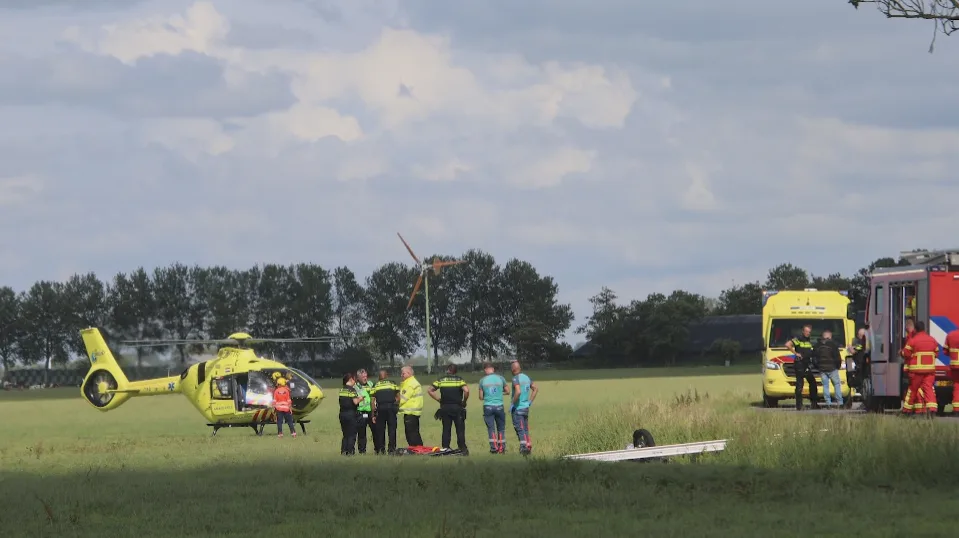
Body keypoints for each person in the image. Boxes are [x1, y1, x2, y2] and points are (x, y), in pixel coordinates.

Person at [427, 364, 470, 454]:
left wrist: (439, 400)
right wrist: (464, 401)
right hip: (457, 407)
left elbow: (430, 390)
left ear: (448, 370)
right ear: (455, 371)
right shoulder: (459, 380)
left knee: (446, 428)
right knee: (460, 429)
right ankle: (462, 448)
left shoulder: (441, 379)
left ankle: (446, 447)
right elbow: (466, 390)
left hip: (445, 407)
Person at [902, 321, 939, 416]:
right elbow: (936, 353)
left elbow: (906, 353)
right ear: (924, 329)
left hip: (916, 371)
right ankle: (932, 409)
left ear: (915, 329)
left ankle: (907, 411)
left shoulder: (912, 340)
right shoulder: (932, 340)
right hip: (929, 370)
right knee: (929, 389)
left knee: (912, 390)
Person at [785, 324, 819, 410]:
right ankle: (799, 405)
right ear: (803, 331)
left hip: (806, 364)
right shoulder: (798, 339)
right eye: (806, 331)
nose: (808, 333)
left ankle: (814, 403)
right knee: (800, 384)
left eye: (809, 332)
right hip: (799, 364)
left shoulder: (809, 340)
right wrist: (795, 353)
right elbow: (788, 344)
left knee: (812, 382)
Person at [478, 362, 509, 453]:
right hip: (499, 406)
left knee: (491, 428)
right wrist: (500, 393)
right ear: (493, 369)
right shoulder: (501, 378)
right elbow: (508, 391)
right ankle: (502, 448)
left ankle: (494, 448)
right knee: (501, 428)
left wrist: (487, 395)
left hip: (488, 406)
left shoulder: (482, 380)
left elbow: (481, 397)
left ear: (485, 370)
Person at [510, 360, 538, 455]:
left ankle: (523, 447)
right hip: (526, 408)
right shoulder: (527, 377)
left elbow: (518, 392)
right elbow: (535, 389)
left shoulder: (515, 378)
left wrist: (512, 403)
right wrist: (530, 401)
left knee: (519, 428)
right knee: (525, 428)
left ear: (513, 369)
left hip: (518, 408)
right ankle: (528, 445)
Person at [371, 369, 400, 455]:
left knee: (380, 430)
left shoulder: (375, 385)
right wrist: (394, 404)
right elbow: (398, 397)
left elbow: (372, 402)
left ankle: (381, 449)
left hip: (380, 408)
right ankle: (391, 450)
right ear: (387, 376)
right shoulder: (392, 383)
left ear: (379, 377)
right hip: (391, 408)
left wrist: (373, 415)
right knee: (392, 429)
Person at [815, 330, 843, 406]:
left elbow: (814, 358)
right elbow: (837, 357)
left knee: (825, 386)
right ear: (830, 337)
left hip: (822, 369)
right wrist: (838, 366)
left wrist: (818, 366)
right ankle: (840, 402)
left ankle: (828, 402)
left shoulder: (817, 345)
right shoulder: (833, 345)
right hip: (832, 368)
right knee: (836, 385)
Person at [338, 372, 364, 455]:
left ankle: (343, 451)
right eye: (354, 380)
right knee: (351, 434)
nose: (355, 382)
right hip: (351, 414)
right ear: (351, 379)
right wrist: (360, 398)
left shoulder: (341, 390)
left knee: (345, 434)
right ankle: (350, 452)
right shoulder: (352, 390)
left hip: (342, 414)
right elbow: (355, 402)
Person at [398, 366, 424, 446]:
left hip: (410, 412)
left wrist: (393, 404)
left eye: (403, 373)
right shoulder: (413, 382)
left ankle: (415, 449)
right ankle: (419, 448)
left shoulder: (409, 384)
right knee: (415, 433)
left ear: (409, 373)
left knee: (411, 434)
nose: (401, 375)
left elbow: (402, 399)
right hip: (414, 412)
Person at [355, 369, 375, 454]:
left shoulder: (371, 384)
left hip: (371, 412)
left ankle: (378, 450)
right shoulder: (355, 387)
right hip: (361, 412)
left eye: (366, 376)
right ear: (358, 378)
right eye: (363, 377)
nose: (365, 378)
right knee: (362, 433)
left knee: (375, 431)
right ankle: (362, 451)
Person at [901, 317, 918, 415]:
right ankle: (913, 408)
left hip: (910, 367)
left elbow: (907, 352)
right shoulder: (915, 336)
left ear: (908, 326)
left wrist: (901, 352)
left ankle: (908, 409)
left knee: (909, 389)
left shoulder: (910, 337)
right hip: (914, 367)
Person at [946, 327, 959, 414]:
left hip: (955, 366)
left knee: (957, 387)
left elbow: (945, 351)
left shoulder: (951, 335)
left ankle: (956, 410)